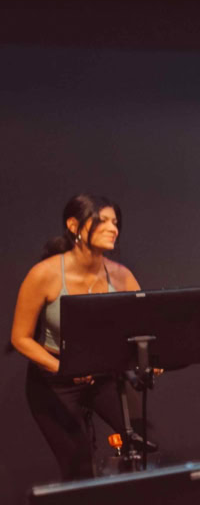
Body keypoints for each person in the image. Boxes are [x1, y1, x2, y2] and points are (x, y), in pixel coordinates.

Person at [11, 194, 141, 480]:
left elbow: (141, 327)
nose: (113, 228)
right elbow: (20, 338)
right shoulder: (44, 274)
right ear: (74, 225)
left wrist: (150, 358)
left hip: (103, 376)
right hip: (55, 381)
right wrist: (64, 368)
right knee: (79, 467)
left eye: (115, 222)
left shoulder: (121, 276)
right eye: (103, 221)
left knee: (143, 441)